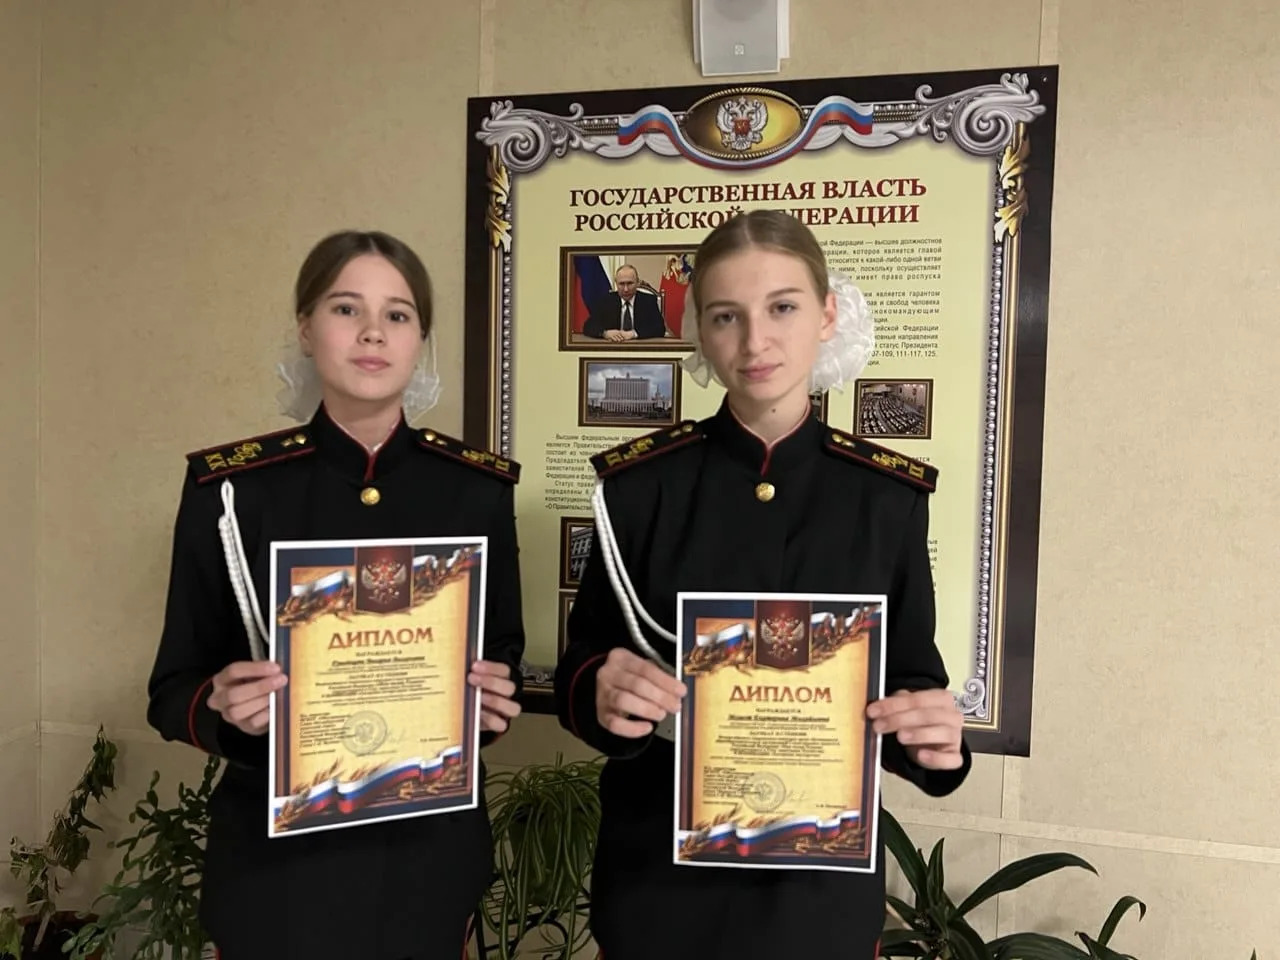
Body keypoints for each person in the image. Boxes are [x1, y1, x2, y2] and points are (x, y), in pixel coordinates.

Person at [554, 209, 971, 960]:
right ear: (699, 332)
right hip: (660, 888)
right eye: (726, 316)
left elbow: (909, 678)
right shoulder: (639, 488)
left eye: (782, 307)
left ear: (827, 315)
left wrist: (934, 745)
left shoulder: (886, 498)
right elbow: (583, 662)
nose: (755, 342)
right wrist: (601, 693)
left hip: (816, 898)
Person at [146, 230, 525, 960]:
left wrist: (489, 702)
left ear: (420, 340)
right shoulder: (231, 493)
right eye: (347, 308)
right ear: (305, 328)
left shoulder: (476, 490)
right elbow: (171, 689)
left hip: (427, 863)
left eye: (398, 314)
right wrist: (223, 708)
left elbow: (499, 654)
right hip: (276, 874)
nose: (373, 332)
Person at [583, 264, 667, 341]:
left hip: (640, 348)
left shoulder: (649, 301)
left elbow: (659, 328)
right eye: (621, 284)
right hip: (613, 347)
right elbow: (588, 326)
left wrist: (634, 334)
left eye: (630, 283)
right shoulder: (606, 301)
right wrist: (605, 333)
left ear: (637, 282)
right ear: (616, 283)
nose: (626, 289)